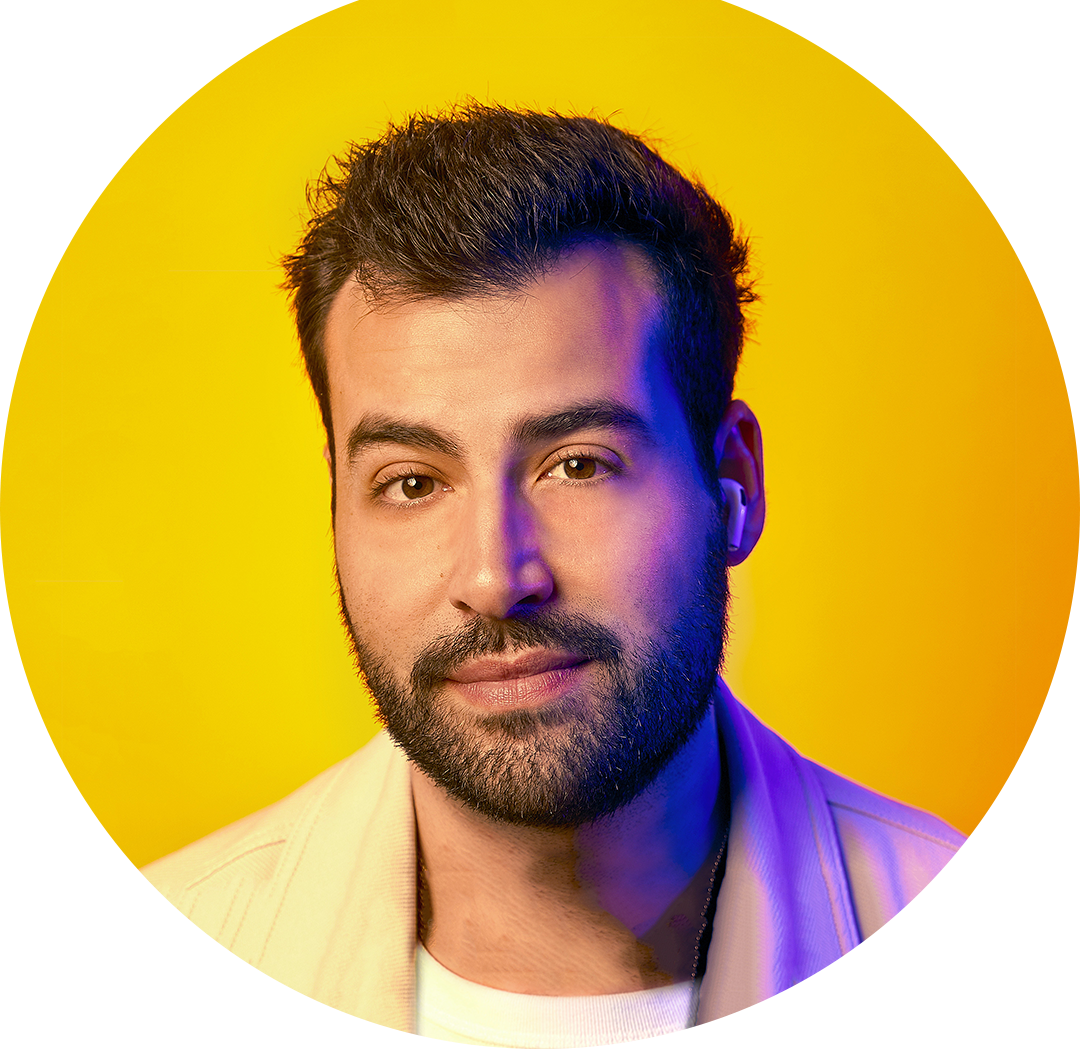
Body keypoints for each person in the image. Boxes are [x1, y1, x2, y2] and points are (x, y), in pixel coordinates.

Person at [1, 104, 1076, 1049]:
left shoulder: (1042, 999)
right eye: (411, 482)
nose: (495, 576)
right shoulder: (59, 1016)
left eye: (578, 465)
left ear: (734, 482)